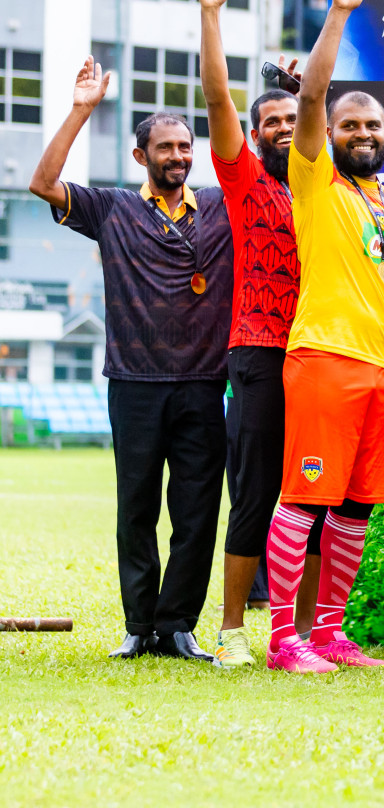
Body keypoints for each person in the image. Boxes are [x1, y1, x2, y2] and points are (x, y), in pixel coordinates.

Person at [31, 57, 233, 662]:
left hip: (204, 384)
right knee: (136, 507)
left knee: (197, 513)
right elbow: (42, 184)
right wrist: (80, 110)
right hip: (135, 383)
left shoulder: (223, 209)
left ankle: (177, 628)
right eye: (165, 147)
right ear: (141, 156)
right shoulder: (113, 209)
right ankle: (138, 626)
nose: (178, 155)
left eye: (185, 145)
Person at [261, 0, 384, 674]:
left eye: (372, 127)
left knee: (358, 508)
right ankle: (282, 641)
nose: (363, 133)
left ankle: (328, 633)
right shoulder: (315, 178)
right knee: (304, 497)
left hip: (378, 369)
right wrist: (339, 12)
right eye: (351, 125)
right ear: (329, 135)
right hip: (323, 359)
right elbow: (312, 96)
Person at [197, 0, 324, 667]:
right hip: (259, 353)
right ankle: (232, 633)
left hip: (320, 358)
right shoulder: (246, 184)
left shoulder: (327, 189)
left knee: (311, 498)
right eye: (268, 123)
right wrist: (213, 15)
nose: (281, 129)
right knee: (254, 496)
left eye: (289, 120)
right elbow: (217, 95)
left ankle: (299, 635)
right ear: (253, 135)